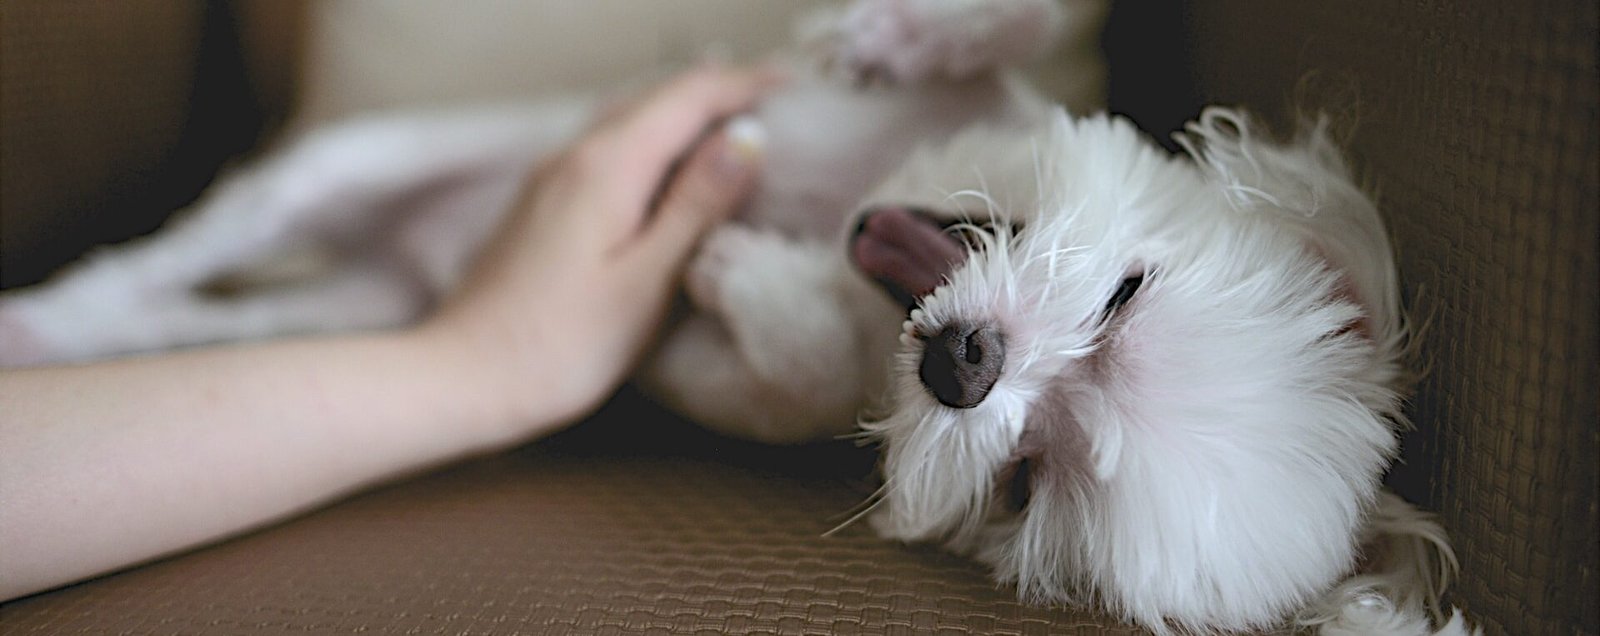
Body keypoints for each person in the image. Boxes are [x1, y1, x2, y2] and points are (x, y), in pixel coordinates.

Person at [0, 66, 780, 602]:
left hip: (464, 312)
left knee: (284, 316)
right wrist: (483, 364)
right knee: (322, 180)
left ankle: (95, 316)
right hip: (510, 240)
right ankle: (93, 308)